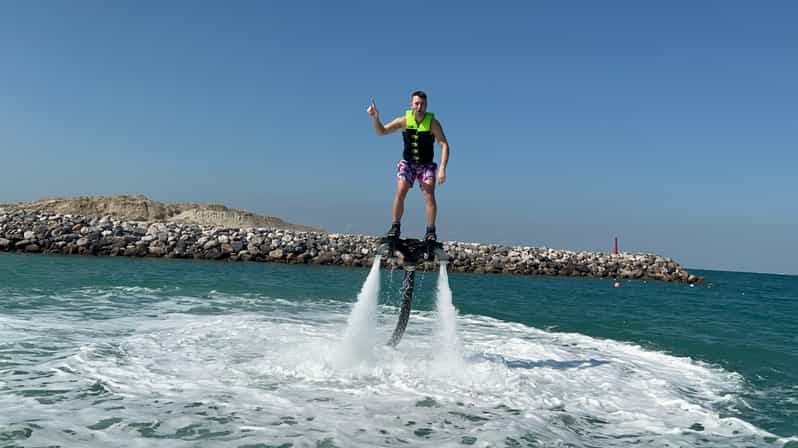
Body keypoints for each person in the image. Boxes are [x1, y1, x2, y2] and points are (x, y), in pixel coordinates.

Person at [367, 91, 450, 242]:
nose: (419, 107)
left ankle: (430, 231)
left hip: (426, 165)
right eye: (417, 103)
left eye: (423, 104)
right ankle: (395, 226)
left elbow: (444, 144)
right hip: (408, 163)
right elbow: (382, 131)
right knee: (401, 189)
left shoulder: (433, 123)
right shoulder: (404, 121)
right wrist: (375, 118)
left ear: (426, 105)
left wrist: (443, 168)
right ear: (411, 105)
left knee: (429, 194)